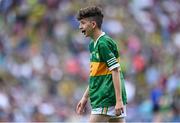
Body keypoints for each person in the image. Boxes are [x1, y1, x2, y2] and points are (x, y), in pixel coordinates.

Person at [76, 6, 127, 122]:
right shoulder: (93, 45)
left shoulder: (103, 44)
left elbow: (115, 70)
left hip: (106, 97)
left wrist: (118, 100)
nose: (80, 27)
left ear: (93, 24)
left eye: (83, 23)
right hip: (107, 97)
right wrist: (85, 97)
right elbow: (96, 75)